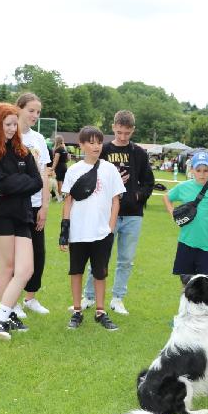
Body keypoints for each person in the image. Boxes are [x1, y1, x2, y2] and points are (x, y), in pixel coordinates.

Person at [0, 103, 43, 340]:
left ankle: (2, 319)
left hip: (22, 216)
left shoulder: (23, 151)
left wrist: (9, 185)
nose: (13, 128)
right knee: (8, 266)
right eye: (8, 124)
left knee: (26, 269)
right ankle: (3, 319)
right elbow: (1, 185)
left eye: (15, 124)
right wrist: (14, 184)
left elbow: (37, 182)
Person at [81, 110, 155, 315]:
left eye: (127, 133)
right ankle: (88, 296)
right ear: (113, 127)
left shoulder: (139, 153)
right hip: (105, 214)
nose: (123, 137)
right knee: (98, 257)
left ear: (133, 131)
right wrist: (111, 184)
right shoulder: (102, 150)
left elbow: (149, 182)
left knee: (126, 259)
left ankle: (118, 298)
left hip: (132, 215)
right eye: (120, 132)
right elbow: (89, 177)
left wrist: (137, 196)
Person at [60, 126, 126, 331]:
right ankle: (77, 311)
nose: (96, 146)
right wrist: (64, 232)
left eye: (99, 142)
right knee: (76, 271)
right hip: (78, 232)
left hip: (101, 233)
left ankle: (100, 311)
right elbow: (68, 202)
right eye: (91, 142)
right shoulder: (73, 170)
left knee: (100, 272)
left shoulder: (109, 169)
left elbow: (116, 200)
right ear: (81, 145)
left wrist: (110, 227)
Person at [11, 93, 52, 318]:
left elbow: (45, 173)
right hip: (17, 205)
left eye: (38, 112)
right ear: (19, 109)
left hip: (37, 204)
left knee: (38, 253)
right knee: (18, 255)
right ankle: (13, 301)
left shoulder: (38, 139)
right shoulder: (10, 135)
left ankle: (30, 298)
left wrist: (45, 206)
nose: (35, 115)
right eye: (31, 111)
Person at [50, 135, 69, 202]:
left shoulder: (58, 150)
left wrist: (52, 168)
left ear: (56, 141)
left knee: (59, 182)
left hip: (59, 167)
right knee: (62, 181)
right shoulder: (64, 149)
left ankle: (60, 197)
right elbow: (68, 159)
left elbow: (56, 160)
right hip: (64, 166)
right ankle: (61, 195)